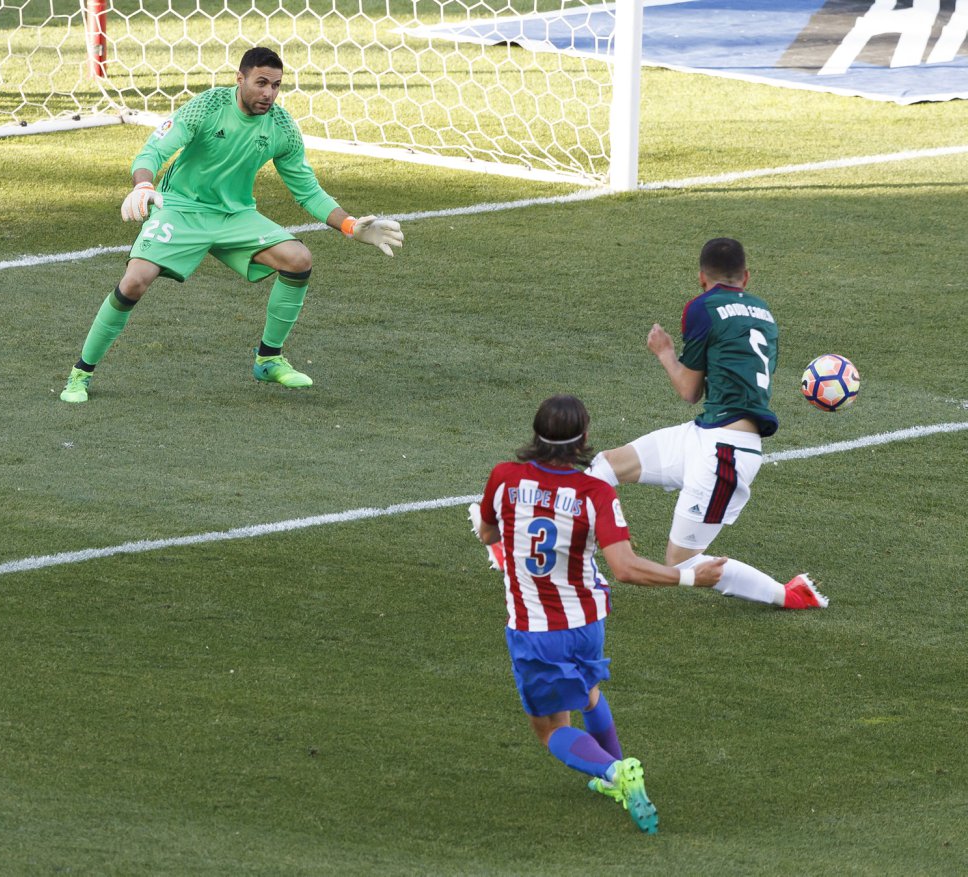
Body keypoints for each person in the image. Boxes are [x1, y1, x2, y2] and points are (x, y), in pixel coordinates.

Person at [60, 46, 403, 403]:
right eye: (261, 83)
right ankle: (80, 374)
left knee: (299, 258)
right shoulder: (207, 107)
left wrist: (349, 225)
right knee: (134, 282)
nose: (269, 93)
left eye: (276, 85)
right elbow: (153, 151)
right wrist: (144, 184)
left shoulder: (282, 127)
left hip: (235, 216)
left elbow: (307, 192)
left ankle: (268, 360)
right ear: (240, 79)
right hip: (180, 209)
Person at [469, 394, 726, 834]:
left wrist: (489, 526)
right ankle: (617, 776)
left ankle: (614, 772)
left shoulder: (505, 477)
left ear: (536, 434)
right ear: (584, 439)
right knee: (586, 693)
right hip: (587, 623)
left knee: (550, 730)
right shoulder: (595, 493)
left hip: (536, 630)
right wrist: (689, 578)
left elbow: (488, 531)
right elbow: (624, 567)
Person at [585, 237, 828, 610]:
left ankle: (790, 595)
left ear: (701, 278)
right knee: (604, 466)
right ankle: (574, 560)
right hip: (708, 434)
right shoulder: (764, 311)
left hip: (725, 454)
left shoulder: (702, 308)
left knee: (681, 563)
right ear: (746, 277)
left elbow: (689, 389)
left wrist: (665, 352)